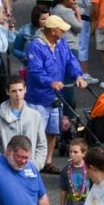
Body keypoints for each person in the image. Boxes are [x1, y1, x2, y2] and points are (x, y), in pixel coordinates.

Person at [26, 16, 87, 175]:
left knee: (53, 131)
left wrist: (78, 76)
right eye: (61, 29)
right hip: (38, 97)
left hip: (55, 97)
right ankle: (32, 164)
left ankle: (48, 161)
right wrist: (50, 82)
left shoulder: (61, 44)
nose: (64, 31)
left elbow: (70, 61)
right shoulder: (35, 46)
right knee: (35, 132)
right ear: (53, 31)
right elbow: (35, 70)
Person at [0, 76, 46, 169]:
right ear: (7, 92)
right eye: (14, 91)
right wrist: (1, 168)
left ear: (25, 90)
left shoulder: (35, 116)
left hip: (29, 167)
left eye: (20, 90)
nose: (18, 94)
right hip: (6, 169)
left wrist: (36, 165)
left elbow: (42, 144)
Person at [68, 0, 99, 83]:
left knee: (72, 43)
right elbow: (89, 4)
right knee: (83, 46)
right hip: (83, 18)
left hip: (70, 17)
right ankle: (84, 74)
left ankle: (72, 72)